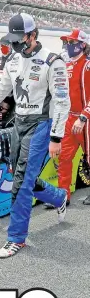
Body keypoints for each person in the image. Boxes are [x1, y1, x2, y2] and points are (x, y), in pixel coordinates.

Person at [0, 13, 70, 258]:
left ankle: (16, 238)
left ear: (33, 35)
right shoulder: (12, 59)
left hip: (42, 125)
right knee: (19, 174)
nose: (15, 44)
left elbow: (63, 102)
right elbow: (0, 90)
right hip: (18, 124)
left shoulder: (53, 61)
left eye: (19, 39)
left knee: (20, 182)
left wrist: (56, 137)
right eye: (12, 40)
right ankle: (59, 196)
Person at [44, 29, 90, 207]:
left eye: (72, 42)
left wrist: (84, 117)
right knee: (64, 157)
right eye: (67, 43)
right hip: (69, 118)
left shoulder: (87, 65)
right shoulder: (66, 66)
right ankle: (62, 196)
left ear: (82, 45)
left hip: (85, 119)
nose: (68, 46)